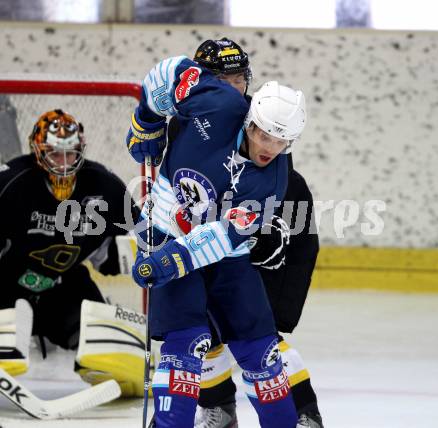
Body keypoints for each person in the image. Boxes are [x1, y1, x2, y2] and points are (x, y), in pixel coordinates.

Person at [126, 51, 306, 427]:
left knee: (261, 354)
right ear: (250, 118)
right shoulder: (219, 103)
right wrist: (146, 121)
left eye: (282, 141)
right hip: (167, 231)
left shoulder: (272, 181)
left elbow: (223, 236)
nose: (270, 148)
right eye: (265, 134)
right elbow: (168, 72)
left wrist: (170, 260)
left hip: (225, 256)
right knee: (186, 348)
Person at [166, 39, 323, 428]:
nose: (232, 87)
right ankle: (220, 406)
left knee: (260, 337)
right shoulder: (189, 118)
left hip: (273, 234)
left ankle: (304, 414)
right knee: (202, 328)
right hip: (218, 239)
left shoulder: (261, 117)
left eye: (238, 78)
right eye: (220, 78)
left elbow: (264, 189)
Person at [0, 109, 146, 398]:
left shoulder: (104, 187)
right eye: (55, 154)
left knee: (108, 348)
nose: (64, 163)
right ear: (38, 151)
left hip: (65, 285)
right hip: (7, 285)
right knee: (8, 337)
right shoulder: (11, 183)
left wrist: (131, 254)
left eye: (71, 153)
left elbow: (140, 239)